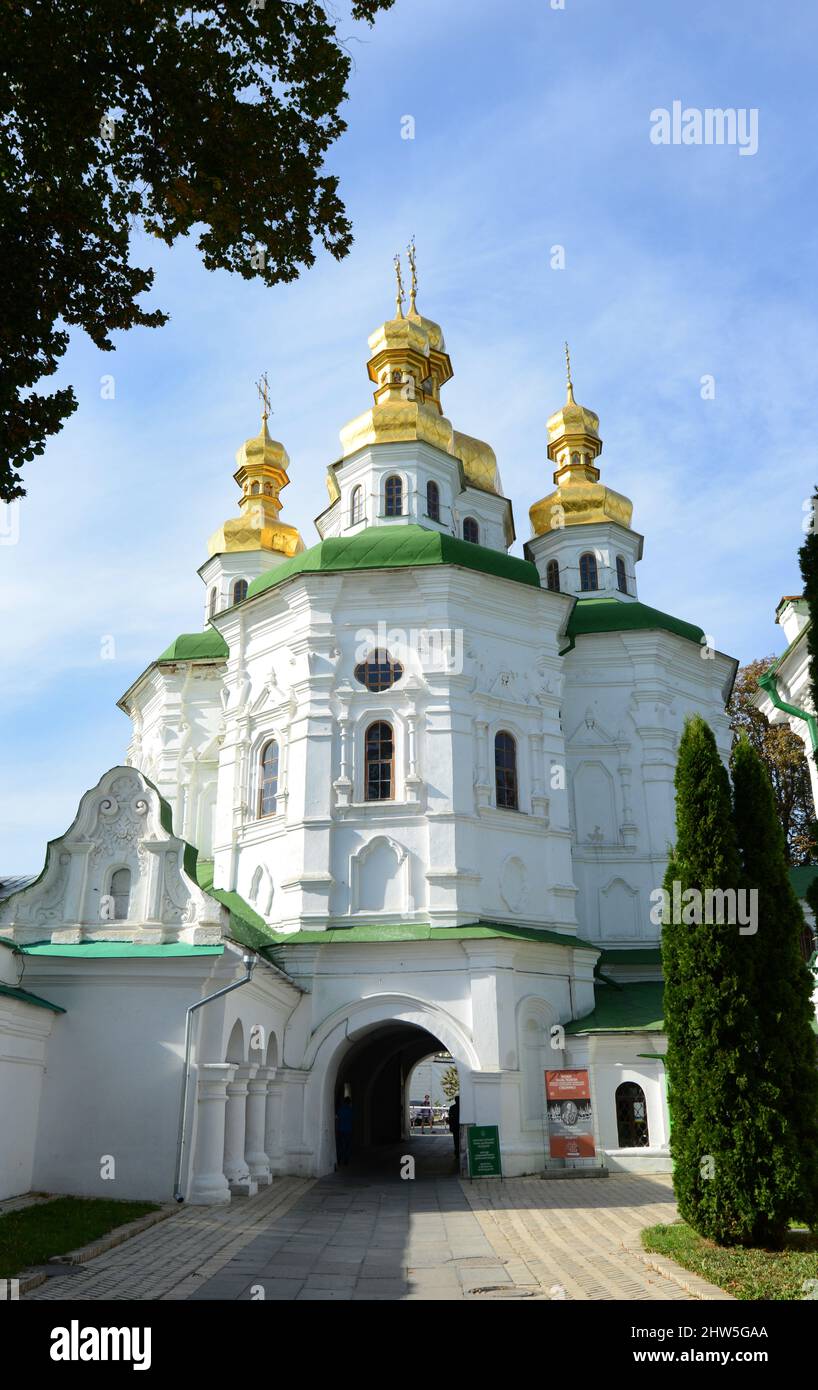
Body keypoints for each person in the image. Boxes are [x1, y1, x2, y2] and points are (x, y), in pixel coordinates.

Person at [336, 1094, 353, 1167]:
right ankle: (346, 1160)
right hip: (348, 1130)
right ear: (349, 1102)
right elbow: (352, 1119)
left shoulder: (340, 1109)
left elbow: (337, 1118)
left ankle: (339, 1159)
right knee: (347, 1146)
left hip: (341, 1129)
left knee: (340, 1145)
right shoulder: (350, 1110)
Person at [448, 1094, 460, 1160]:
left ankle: (457, 1153)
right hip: (460, 1126)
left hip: (455, 1126)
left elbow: (450, 1118)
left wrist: (450, 1126)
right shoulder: (463, 1107)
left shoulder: (452, 1107)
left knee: (456, 1140)